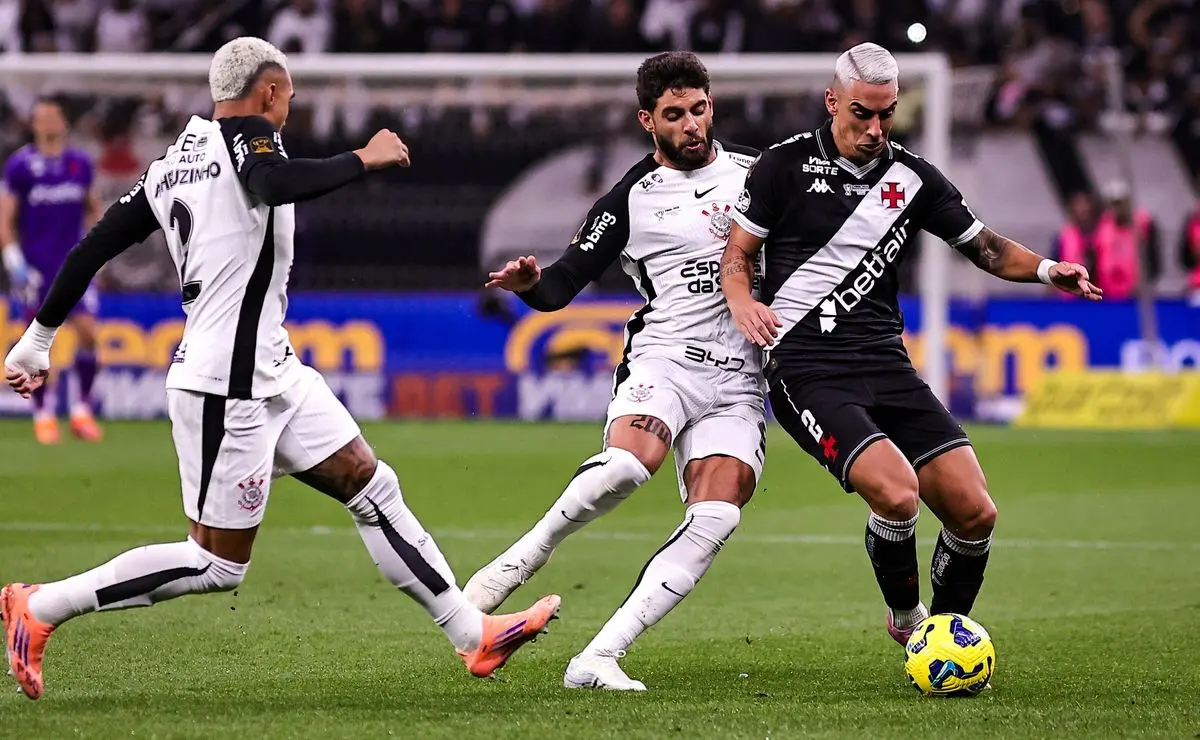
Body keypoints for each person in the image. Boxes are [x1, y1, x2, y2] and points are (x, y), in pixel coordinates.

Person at [1, 37, 559, 702]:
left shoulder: (170, 166)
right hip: (225, 383)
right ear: (268, 91)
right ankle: (40, 605)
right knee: (215, 564)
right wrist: (363, 158)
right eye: (288, 96)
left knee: (369, 483)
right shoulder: (248, 138)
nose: (289, 109)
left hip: (274, 368)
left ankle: (474, 634)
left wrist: (38, 338)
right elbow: (269, 180)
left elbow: (92, 246)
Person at [720, 42, 1100, 647]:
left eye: (887, 114)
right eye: (862, 114)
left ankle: (943, 638)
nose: (876, 129)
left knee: (975, 512)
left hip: (886, 364)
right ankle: (906, 618)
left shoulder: (912, 178)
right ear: (832, 102)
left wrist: (1049, 269)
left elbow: (986, 247)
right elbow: (737, 255)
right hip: (807, 369)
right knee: (898, 494)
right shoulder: (782, 167)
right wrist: (742, 301)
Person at [464, 51, 765, 691]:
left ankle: (598, 658)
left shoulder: (758, 174)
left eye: (699, 109)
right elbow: (561, 286)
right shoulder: (630, 198)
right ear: (647, 121)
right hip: (667, 358)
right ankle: (523, 558)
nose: (691, 124)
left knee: (718, 516)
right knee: (628, 466)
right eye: (674, 115)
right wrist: (531, 283)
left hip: (742, 377)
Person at [1, 96, 105, 444]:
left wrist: (99, 246)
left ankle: (81, 410)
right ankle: (43, 414)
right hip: (36, 269)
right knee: (35, 342)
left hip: (74, 265)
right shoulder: (20, 166)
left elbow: (94, 209)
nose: (46, 123)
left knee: (88, 333)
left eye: (52, 117)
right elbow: (5, 219)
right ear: (33, 124)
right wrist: (14, 259)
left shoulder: (80, 164)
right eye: (40, 117)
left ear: (63, 122)